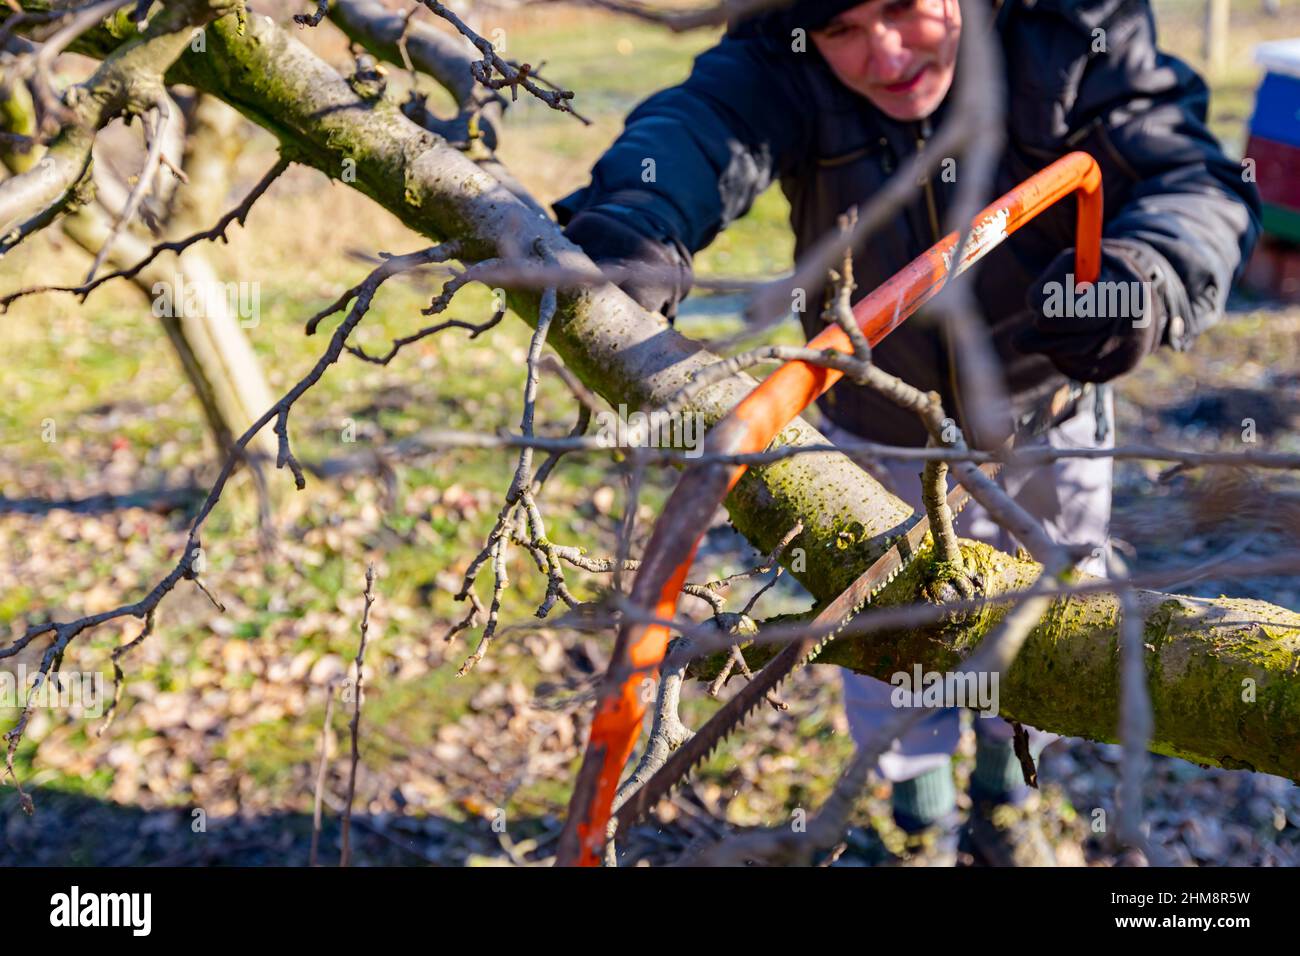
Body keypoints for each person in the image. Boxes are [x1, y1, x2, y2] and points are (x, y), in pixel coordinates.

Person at [555, 0, 1260, 864]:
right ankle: (920, 813)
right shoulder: (784, 53)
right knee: (895, 634)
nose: (882, 54)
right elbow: (699, 128)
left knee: (1045, 623)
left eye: (901, 7)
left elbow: (1188, 177)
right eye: (841, 29)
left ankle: (1006, 796)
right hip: (877, 439)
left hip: (1047, 424)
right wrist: (635, 220)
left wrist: (1147, 275)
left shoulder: (1074, 29)